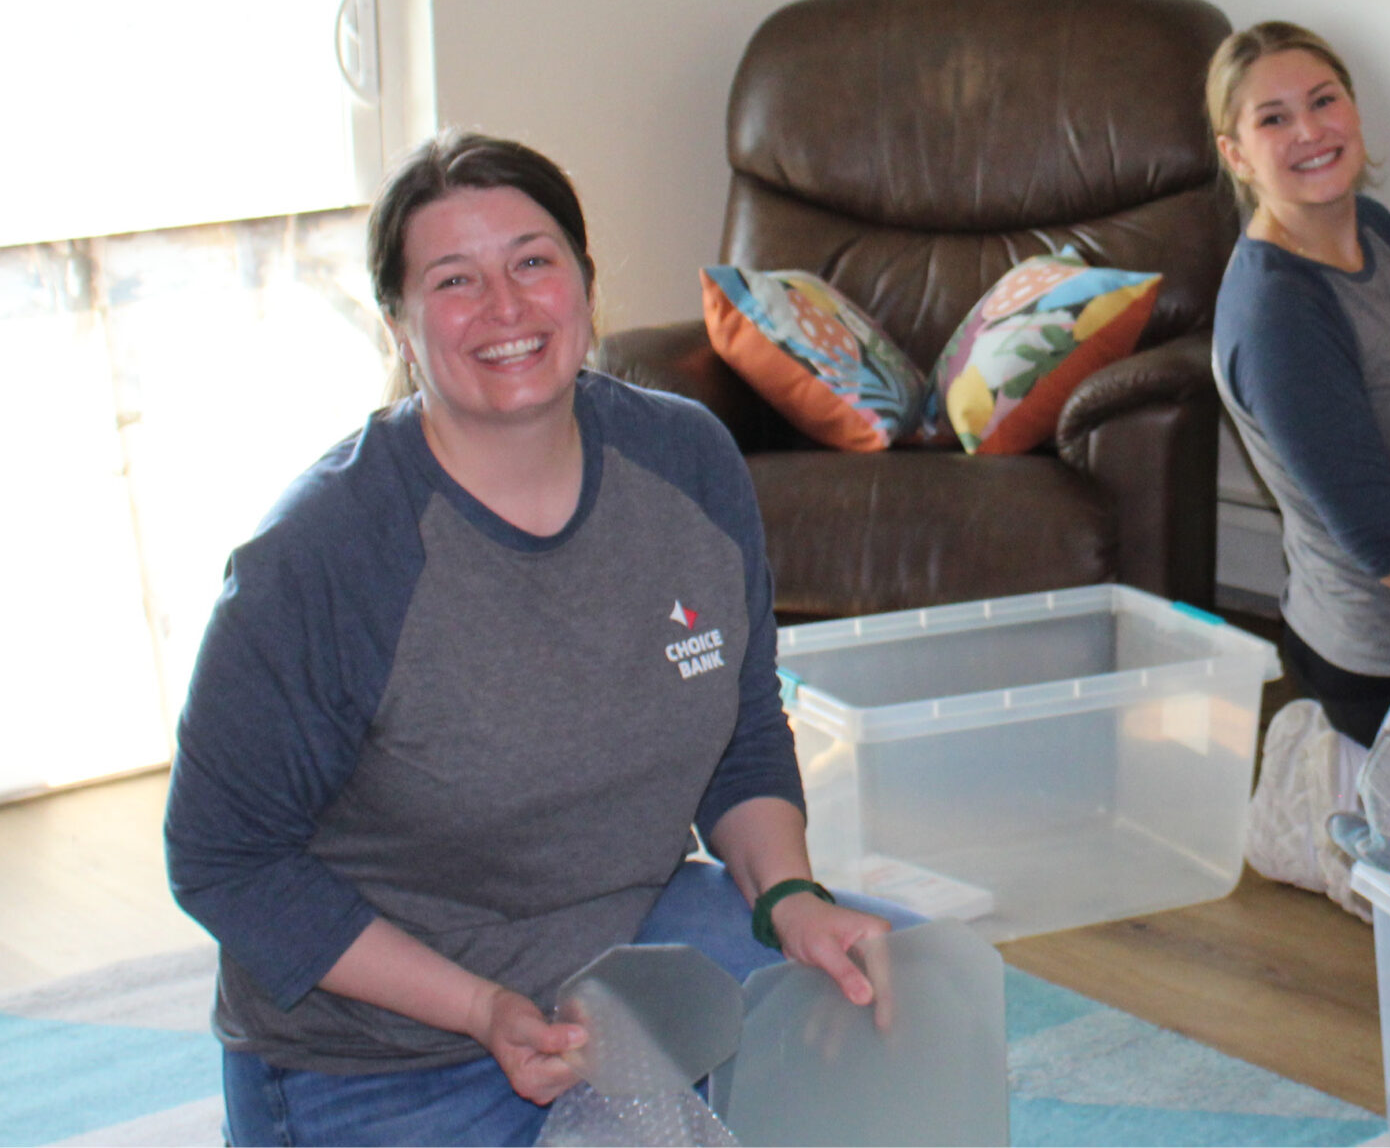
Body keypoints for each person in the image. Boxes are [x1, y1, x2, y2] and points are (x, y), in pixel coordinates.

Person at [165, 132, 890, 1148]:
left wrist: (789, 898)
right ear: (401, 325)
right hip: (377, 1051)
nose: (505, 307)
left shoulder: (687, 459)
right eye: (455, 280)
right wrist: (478, 1008)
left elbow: (740, 726)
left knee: (895, 985)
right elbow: (221, 860)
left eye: (532, 261)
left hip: (623, 959)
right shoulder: (322, 556)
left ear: (587, 285)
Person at [1207, 23, 1390, 757]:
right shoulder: (1278, 314)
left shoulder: (1373, 225)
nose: (1310, 131)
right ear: (1235, 154)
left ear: (1353, 110)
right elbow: (1382, 537)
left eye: (1323, 101)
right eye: (1273, 119)